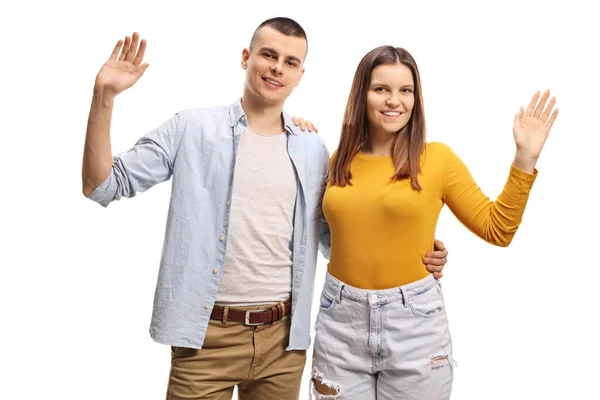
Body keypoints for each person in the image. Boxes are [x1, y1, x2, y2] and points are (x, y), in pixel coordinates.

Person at [81, 18, 451, 399]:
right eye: (269, 55)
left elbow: (339, 238)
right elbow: (102, 185)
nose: (278, 67)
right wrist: (104, 97)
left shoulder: (312, 150)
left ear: (299, 75)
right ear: (246, 57)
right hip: (205, 341)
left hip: (283, 345)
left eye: (290, 62)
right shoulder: (191, 129)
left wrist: (416, 247)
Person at [300, 46, 558, 399]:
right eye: (381, 89)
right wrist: (295, 134)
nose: (395, 101)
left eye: (405, 90)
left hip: (414, 326)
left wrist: (525, 158)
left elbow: (498, 229)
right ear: (361, 94)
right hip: (340, 322)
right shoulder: (338, 160)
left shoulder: (436, 159)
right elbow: (327, 234)